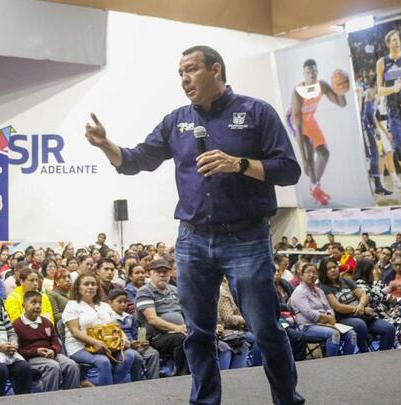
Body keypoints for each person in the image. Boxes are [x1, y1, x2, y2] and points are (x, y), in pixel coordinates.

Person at [86, 45, 303, 404]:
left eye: (191, 70)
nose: (184, 79)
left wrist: (239, 164)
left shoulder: (256, 112)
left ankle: (286, 400)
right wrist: (106, 144)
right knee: (198, 333)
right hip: (193, 240)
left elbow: (289, 169)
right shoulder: (177, 120)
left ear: (215, 70)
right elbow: (137, 159)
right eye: (180, 73)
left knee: (265, 329)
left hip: (246, 237)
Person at [287, 59, 348, 204]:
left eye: (313, 71)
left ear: (317, 72)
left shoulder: (322, 85)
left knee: (325, 153)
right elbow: (299, 125)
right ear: (304, 74)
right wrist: (304, 160)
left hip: (309, 119)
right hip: (296, 122)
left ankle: (315, 186)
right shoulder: (298, 93)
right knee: (309, 150)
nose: (311, 74)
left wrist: (341, 90)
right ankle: (315, 190)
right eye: (308, 72)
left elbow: (342, 104)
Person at [62, 272, 136, 386]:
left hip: (108, 344)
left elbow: (115, 327)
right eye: (86, 284)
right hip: (80, 346)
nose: (90, 287)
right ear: (78, 287)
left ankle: (114, 385)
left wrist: (124, 339)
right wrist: (95, 342)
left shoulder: (104, 305)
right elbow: (75, 332)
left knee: (130, 354)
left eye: (93, 284)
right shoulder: (72, 305)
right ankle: (107, 394)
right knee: (103, 361)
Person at [318, 258, 396, 352]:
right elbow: (338, 307)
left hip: (363, 315)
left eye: (334, 267)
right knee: (359, 324)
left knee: (389, 329)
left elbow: (363, 295)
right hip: (344, 319)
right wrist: (361, 309)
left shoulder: (346, 281)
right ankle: (364, 352)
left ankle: (383, 356)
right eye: (328, 269)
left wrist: (361, 306)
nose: (333, 270)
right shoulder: (324, 287)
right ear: (324, 272)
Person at [12, 290, 81, 391]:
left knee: (72, 366)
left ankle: (71, 398)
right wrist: (36, 351)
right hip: (32, 357)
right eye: (33, 302)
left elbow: (56, 342)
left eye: (40, 303)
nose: (38, 306)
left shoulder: (46, 322)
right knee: (53, 367)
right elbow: (19, 351)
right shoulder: (17, 325)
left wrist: (53, 350)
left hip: (51, 354)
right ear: (24, 305)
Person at [375, 28, 401, 200]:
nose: (397, 42)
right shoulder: (382, 62)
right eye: (393, 40)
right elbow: (379, 90)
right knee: (398, 148)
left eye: (398, 40)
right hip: (393, 110)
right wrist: (393, 88)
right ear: (388, 44)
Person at [288, 263, 357, 357]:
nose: (312, 275)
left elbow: (329, 307)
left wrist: (330, 316)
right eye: (308, 272)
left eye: (314, 272)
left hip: (325, 324)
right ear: (301, 275)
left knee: (351, 334)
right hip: (307, 326)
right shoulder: (299, 291)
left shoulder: (319, 291)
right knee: (334, 334)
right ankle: (331, 364)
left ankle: (346, 362)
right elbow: (309, 313)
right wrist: (328, 319)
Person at [136, 259, 189, 375]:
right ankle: (182, 376)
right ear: (150, 273)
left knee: (203, 336)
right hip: (157, 337)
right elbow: (152, 319)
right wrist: (177, 328)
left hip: (179, 331)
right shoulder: (144, 292)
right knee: (182, 338)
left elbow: (187, 312)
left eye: (165, 271)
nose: (162, 274)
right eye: (158, 271)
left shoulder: (174, 290)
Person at [352, 259, 401, 348]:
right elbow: (377, 297)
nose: (378, 271)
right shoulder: (359, 285)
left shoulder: (371, 284)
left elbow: (386, 296)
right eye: (374, 269)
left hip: (387, 315)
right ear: (367, 271)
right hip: (374, 318)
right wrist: (378, 281)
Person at [109, 288, 160, 380]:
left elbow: (136, 333)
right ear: (110, 303)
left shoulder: (129, 317)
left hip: (135, 344)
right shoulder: (108, 317)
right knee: (136, 357)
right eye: (119, 302)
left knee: (153, 353)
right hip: (121, 347)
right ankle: (138, 381)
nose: (123, 304)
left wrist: (142, 341)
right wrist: (129, 344)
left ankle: (153, 380)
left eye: (125, 302)